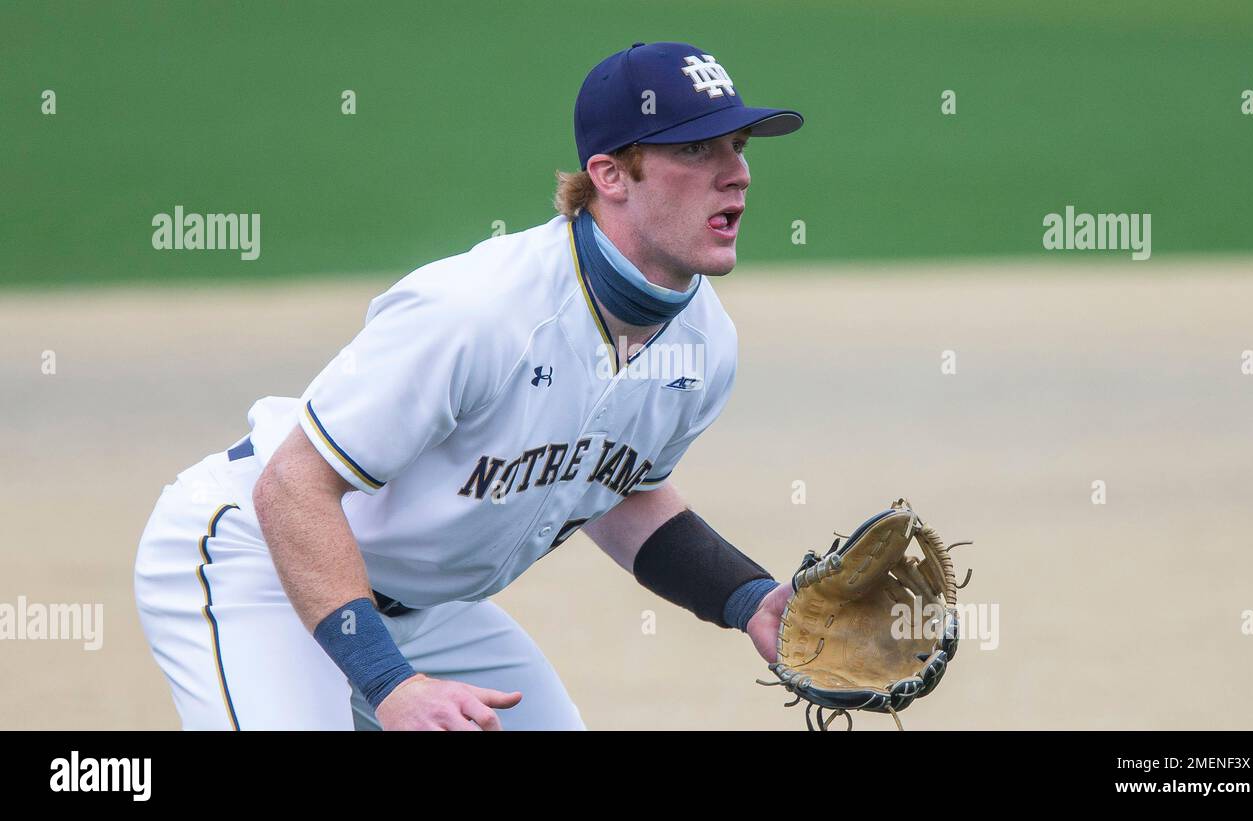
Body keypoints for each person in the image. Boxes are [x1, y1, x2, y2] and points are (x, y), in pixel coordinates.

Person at [134, 41, 804, 730]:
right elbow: (292, 486)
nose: (738, 174)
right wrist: (391, 683)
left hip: (422, 610)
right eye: (696, 150)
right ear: (609, 173)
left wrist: (746, 596)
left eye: (739, 144)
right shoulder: (478, 310)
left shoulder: (706, 344)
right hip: (260, 561)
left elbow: (615, 486)